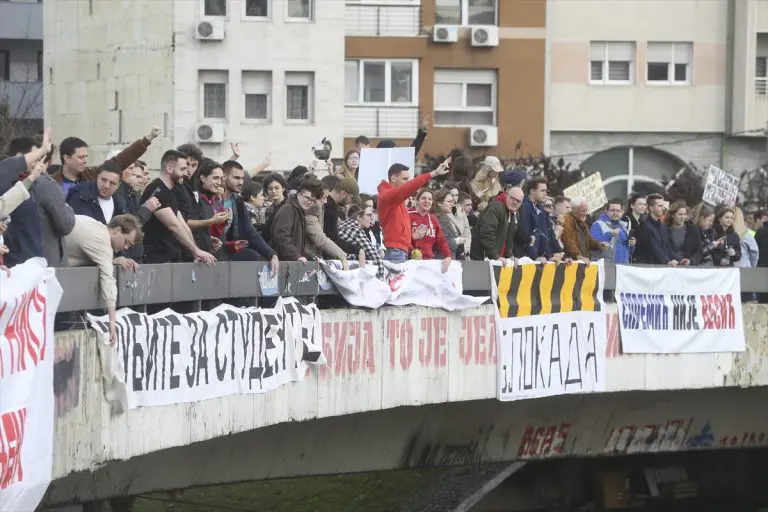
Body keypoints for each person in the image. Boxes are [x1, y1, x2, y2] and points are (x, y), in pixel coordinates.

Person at [64, 214, 143, 345]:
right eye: (127, 242)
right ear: (117, 230)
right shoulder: (102, 242)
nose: (126, 248)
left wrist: (110, 260)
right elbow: (108, 279)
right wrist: (112, 321)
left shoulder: (95, 226)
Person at [139, 150, 216, 265]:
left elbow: (182, 225)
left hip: (169, 255)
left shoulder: (171, 192)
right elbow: (173, 226)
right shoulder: (157, 190)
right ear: (169, 169)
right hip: (155, 257)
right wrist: (195, 250)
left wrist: (194, 251)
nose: (186, 173)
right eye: (182, 169)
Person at [377, 157, 451, 265]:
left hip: (401, 252)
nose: (408, 182)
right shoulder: (386, 196)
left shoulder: (397, 200)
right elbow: (409, 187)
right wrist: (433, 173)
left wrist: (412, 249)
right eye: (405, 179)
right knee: (397, 277)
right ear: (393, 178)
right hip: (396, 252)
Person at [270, 177, 325, 262]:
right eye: (307, 198)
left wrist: (312, 257)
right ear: (298, 194)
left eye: (312, 200)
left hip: (289, 262)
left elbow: (299, 245)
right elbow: (281, 237)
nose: (309, 202)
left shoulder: (297, 210)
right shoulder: (288, 209)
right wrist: (295, 256)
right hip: (283, 263)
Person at [470, 186, 525, 262]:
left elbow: (509, 239)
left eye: (518, 201)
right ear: (507, 196)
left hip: (497, 259)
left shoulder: (515, 214)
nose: (514, 202)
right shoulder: (496, 208)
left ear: (521, 203)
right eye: (512, 198)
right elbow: (487, 233)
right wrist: (495, 256)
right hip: (482, 258)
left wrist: (510, 256)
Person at [409, 188, 452, 263]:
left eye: (430, 199)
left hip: (428, 261)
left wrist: (448, 256)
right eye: (423, 198)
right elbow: (400, 239)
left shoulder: (433, 219)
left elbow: (441, 241)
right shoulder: (408, 215)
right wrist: (412, 237)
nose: (427, 201)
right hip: (410, 260)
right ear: (417, 200)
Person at [634, 194, 677, 266]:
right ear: (651, 208)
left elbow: (668, 248)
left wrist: (680, 260)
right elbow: (653, 247)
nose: (663, 208)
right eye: (660, 206)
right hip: (649, 267)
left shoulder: (663, 227)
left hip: (663, 267)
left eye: (663, 206)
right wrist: (667, 261)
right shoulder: (644, 225)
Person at [562, 197, 609, 262]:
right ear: (574, 210)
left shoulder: (582, 222)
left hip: (584, 261)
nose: (586, 213)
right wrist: (578, 255)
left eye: (586, 210)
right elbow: (567, 241)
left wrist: (599, 245)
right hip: (573, 262)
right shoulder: (567, 220)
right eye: (583, 211)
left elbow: (589, 241)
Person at [590, 199, 633, 264]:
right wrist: (609, 234)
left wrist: (632, 245)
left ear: (622, 212)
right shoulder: (598, 224)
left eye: (618, 210)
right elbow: (594, 245)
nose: (615, 213)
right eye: (612, 210)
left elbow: (628, 252)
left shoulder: (623, 227)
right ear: (606, 211)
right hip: (605, 267)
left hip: (623, 267)